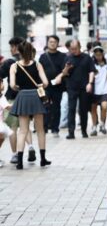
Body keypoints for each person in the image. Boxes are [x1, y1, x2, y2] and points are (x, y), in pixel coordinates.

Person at [8, 41, 51, 169]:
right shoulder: (38, 64)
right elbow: (46, 82)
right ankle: (43, 159)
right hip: (36, 97)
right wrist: (39, 85)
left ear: (19, 52)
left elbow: (12, 85)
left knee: (23, 131)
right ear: (31, 51)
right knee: (40, 130)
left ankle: (20, 162)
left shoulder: (14, 66)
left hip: (22, 97)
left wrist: (18, 87)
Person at [0, 36, 34, 164]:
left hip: (13, 98)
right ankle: (30, 147)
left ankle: (15, 154)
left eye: (11, 47)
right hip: (28, 98)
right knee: (25, 127)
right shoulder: (31, 61)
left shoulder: (10, 63)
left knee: (13, 127)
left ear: (15, 47)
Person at [64, 40, 96, 139]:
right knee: (71, 109)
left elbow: (91, 71)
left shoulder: (87, 58)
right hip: (72, 87)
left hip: (84, 87)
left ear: (79, 47)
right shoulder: (68, 58)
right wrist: (66, 68)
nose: (73, 51)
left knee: (83, 110)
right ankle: (71, 132)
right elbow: (64, 74)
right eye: (71, 49)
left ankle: (84, 131)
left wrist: (90, 83)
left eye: (75, 49)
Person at [39, 35, 67, 137]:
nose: (52, 43)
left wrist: (60, 77)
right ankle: (44, 128)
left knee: (56, 107)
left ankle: (55, 129)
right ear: (47, 43)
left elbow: (65, 70)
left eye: (54, 42)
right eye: (50, 42)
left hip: (58, 87)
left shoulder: (63, 56)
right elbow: (39, 71)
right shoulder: (43, 57)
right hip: (45, 86)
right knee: (44, 107)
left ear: (57, 43)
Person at [89, 47, 107, 136]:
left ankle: (102, 124)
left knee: (104, 106)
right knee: (93, 108)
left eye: (100, 54)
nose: (98, 56)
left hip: (105, 89)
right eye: (96, 55)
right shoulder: (91, 63)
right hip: (94, 90)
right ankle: (94, 126)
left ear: (103, 54)